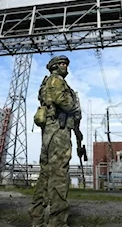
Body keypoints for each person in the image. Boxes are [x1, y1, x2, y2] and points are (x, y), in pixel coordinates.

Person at [29, 55, 82, 227]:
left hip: (50, 133)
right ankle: (57, 222)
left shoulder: (47, 82)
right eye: (62, 64)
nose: (65, 66)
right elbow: (64, 102)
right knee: (59, 174)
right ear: (54, 66)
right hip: (58, 132)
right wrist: (75, 105)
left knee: (46, 174)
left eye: (66, 64)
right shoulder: (56, 80)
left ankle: (37, 220)